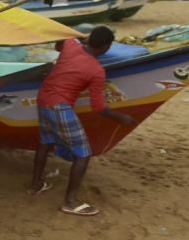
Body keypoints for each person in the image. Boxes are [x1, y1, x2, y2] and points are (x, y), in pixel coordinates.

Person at [29, 26, 137, 216]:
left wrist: (78, 38)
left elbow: (58, 44)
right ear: (105, 46)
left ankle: (36, 185)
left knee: (45, 142)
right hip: (59, 107)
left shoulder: (71, 45)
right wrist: (121, 117)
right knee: (83, 154)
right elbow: (99, 107)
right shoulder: (96, 70)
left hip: (43, 99)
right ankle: (70, 202)